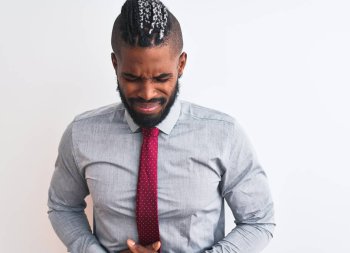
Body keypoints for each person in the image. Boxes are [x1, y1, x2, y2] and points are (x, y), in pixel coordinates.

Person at [47, 0, 275, 252]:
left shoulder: (224, 135)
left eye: (162, 78)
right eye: (132, 78)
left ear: (180, 65)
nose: (147, 93)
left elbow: (258, 220)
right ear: (115, 65)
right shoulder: (82, 134)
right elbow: (63, 206)